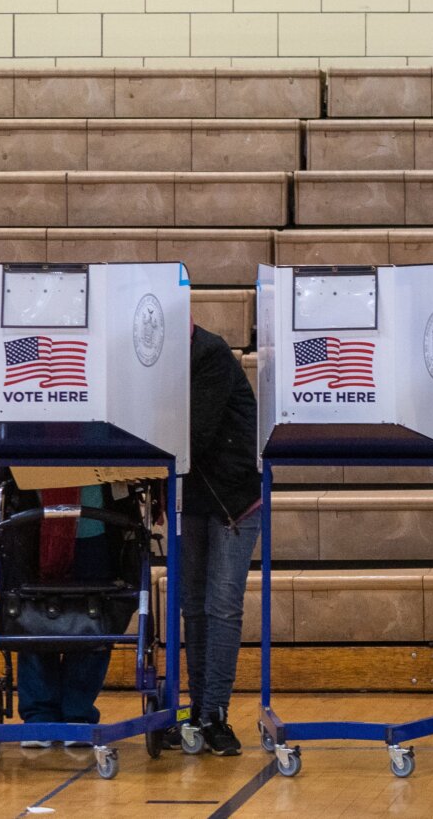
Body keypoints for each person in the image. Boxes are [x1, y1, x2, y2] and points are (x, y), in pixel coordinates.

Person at [0, 471, 141, 747]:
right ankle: (40, 717)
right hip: (32, 521)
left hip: (96, 524)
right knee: (32, 616)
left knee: (93, 615)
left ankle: (78, 713)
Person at [178, 322, 261, 756]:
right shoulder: (151, 359)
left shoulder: (209, 353)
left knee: (221, 605)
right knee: (193, 605)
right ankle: (197, 711)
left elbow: (195, 433)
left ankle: (215, 713)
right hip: (191, 495)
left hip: (234, 496)